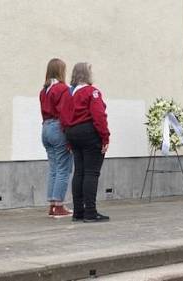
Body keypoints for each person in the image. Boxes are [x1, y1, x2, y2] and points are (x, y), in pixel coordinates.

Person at [61, 62, 110, 223]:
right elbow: (99, 116)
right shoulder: (92, 92)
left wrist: (68, 139)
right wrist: (105, 137)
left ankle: (78, 212)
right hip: (89, 133)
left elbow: (63, 117)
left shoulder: (68, 93)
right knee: (91, 172)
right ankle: (90, 212)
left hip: (72, 133)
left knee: (79, 172)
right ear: (87, 75)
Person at [39, 58, 73, 218]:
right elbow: (65, 113)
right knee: (63, 168)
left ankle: (52, 205)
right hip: (58, 127)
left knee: (53, 168)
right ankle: (59, 206)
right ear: (61, 71)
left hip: (45, 128)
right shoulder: (62, 89)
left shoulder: (44, 90)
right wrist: (69, 135)